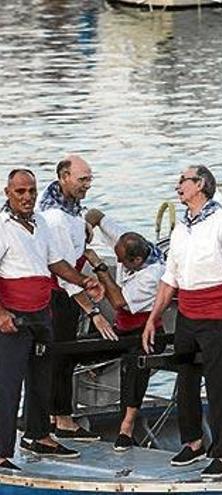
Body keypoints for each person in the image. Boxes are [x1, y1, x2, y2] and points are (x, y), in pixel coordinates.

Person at [142, 165, 222, 479]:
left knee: (218, 385)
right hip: (188, 313)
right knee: (185, 379)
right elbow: (170, 277)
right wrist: (153, 318)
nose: (178, 186)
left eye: (182, 181)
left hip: (217, 314)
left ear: (200, 184)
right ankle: (193, 442)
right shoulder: (181, 228)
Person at [1, 169, 104, 467]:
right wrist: (2, 314)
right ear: (8, 193)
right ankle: (1, 452)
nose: (27, 197)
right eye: (20, 191)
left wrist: (83, 281)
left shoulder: (41, 222)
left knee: (41, 377)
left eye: (31, 190)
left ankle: (39, 435)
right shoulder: (2, 225)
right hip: (13, 314)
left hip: (40, 312)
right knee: (8, 383)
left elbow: (55, 262)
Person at [37, 155, 111, 441]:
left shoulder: (59, 200)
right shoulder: (55, 218)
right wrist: (94, 312)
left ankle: (54, 415)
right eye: (82, 180)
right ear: (64, 176)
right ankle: (63, 420)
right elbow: (66, 276)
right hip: (59, 293)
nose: (87, 185)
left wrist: (85, 228)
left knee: (56, 357)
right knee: (62, 356)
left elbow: (76, 223)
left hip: (63, 286)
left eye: (89, 179)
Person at [84, 208, 166, 451]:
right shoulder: (126, 240)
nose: (118, 262)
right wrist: (84, 230)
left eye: (122, 261)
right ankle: (60, 418)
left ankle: (127, 427)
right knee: (72, 350)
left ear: (137, 261)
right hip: (119, 329)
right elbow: (95, 214)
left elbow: (119, 302)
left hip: (147, 330)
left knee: (135, 363)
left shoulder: (153, 273)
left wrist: (100, 268)